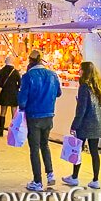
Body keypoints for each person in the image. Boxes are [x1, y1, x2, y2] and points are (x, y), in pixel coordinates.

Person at [17, 49, 62, 191]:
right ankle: (50, 174)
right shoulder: (53, 75)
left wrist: (22, 106)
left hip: (34, 116)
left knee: (34, 149)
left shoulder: (28, 76)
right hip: (49, 115)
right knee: (45, 145)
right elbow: (59, 93)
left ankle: (37, 181)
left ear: (30, 60)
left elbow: (22, 100)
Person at [62, 62, 101, 189]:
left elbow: (81, 109)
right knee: (94, 152)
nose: (79, 71)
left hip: (85, 123)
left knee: (77, 150)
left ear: (84, 71)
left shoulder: (84, 87)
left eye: (80, 69)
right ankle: (95, 180)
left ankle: (74, 177)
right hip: (97, 123)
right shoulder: (99, 87)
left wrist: (74, 125)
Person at [0, 55, 21, 137]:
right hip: (14, 94)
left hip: (4, 93)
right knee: (14, 114)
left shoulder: (2, 70)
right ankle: (14, 133)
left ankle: (0, 131)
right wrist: (15, 88)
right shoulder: (15, 71)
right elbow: (20, 83)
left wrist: (5, 87)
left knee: (3, 112)